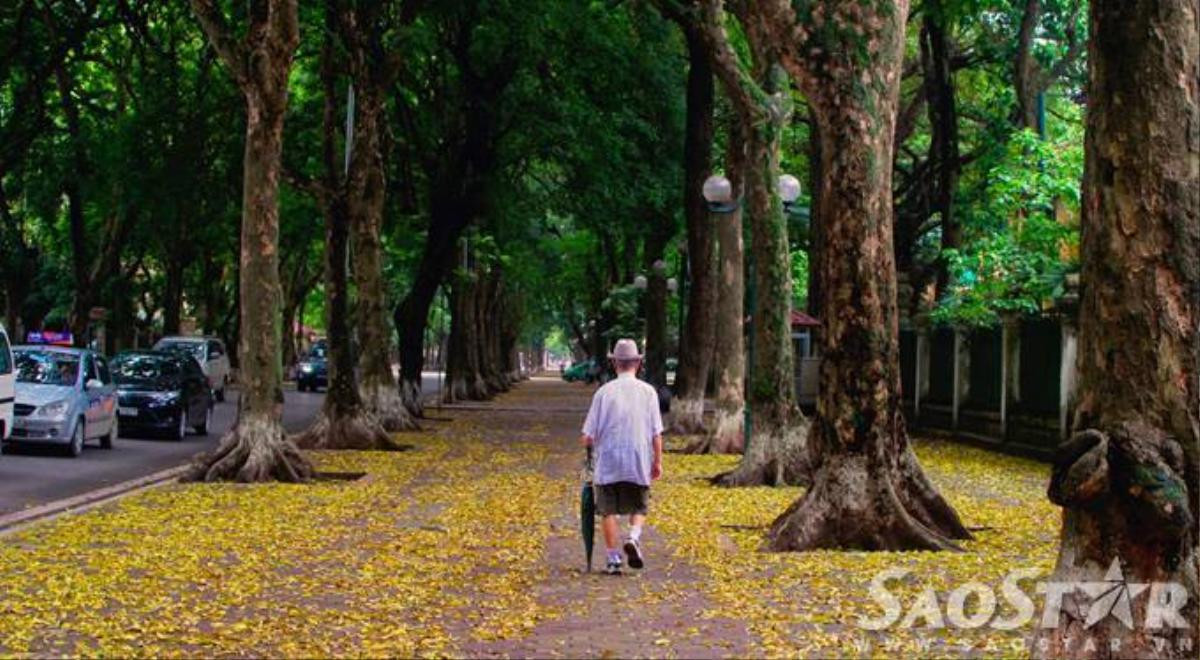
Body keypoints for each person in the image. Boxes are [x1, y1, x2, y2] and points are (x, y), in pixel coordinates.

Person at [579, 338, 664, 575]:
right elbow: (656, 433)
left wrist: (590, 446)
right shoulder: (649, 393)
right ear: (637, 364)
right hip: (638, 459)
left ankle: (613, 559)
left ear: (615, 364)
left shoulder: (603, 393)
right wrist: (657, 461)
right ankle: (634, 537)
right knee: (639, 505)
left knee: (608, 510)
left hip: (608, 461)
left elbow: (587, 436)